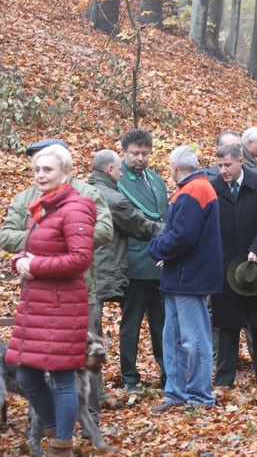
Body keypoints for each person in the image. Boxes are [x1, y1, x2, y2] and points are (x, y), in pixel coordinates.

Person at [0, 138, 113, 429]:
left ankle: (84, 426)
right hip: (36, 293)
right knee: (31, 370)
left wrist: (48, 250)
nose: (39, 173)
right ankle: (51, 429)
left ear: (65, 168)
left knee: (76, 368)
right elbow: (7, 236)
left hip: (74, 294)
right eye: (36, 166)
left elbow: (101, 233)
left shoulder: (84, 196)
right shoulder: (30, 199)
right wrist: (22, 259)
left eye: (47, 166)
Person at [147, 145, 223, 412]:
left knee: (193, 339)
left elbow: (182, 237)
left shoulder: (193, 190)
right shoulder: (195, 188)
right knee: (175, 339)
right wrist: (167, 256)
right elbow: (187, 237)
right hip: (180, 276)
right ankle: (176, 394)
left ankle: (200, 396)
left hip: (187, 277)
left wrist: (155, 248)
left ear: (174, 167)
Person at [88, 150, 164, 408]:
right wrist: (171, 231)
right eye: (119, 169)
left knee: (92, 334)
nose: (122, 173)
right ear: (109, 170)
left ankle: (95, 396)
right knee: (91, 335)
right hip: (97, 273)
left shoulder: (88, 190)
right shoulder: (112, 198)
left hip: (91, 271)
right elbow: (140, 225)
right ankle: (94, 400)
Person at [210, 145, 257, 390]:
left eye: (227, 165)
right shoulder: (213, 188)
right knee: (228, 324)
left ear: (241, 161)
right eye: (219, 165)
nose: (223, 170)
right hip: (225, 266)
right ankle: (223, 380)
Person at [117, 129, 169, 391]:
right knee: (131, 324)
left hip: (159, 264)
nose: (140, 158)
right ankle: (129, 376)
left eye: (145, 153)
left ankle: (167, 373)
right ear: (123, 152)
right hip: (135, 263)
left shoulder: (156, 179)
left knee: (162, 324)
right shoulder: (118, 181)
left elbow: (165, 215)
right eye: (135, 153)